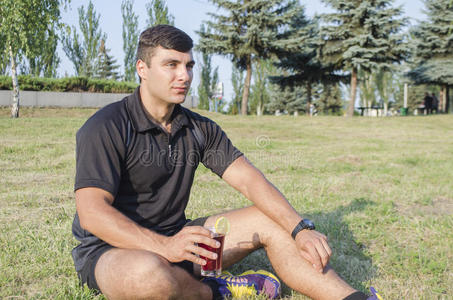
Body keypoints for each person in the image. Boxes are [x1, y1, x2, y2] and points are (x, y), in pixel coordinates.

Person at [72, 25, 382, 300]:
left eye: (189, 65)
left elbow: (249, 179)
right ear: (143, 68)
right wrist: (164, 248)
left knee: (273, 220)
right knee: (148, 276)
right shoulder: (105, 126)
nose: (185, 75)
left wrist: (300, 228)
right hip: (112, 252)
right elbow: (92, 214)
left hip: (179, 238)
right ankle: (214, 290)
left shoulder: (198, 127)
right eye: (172, 65)